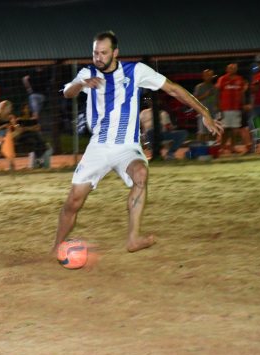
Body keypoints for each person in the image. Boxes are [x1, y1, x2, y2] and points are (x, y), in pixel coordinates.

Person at [51, 31, 223, 255]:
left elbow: (172, 88)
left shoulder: (136, 71)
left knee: (140, 173)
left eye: (103, 53)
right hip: (99, 147)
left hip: (127, 148)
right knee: (74, 201)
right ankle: (56, 248)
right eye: (95, 53)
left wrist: (204, 112)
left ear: (115, 53)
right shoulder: (88, 72)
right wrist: (82, 83)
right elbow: (67, 92)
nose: (98, 58)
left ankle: (133, 239)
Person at [216, 63, 251, 154]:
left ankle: (232, 147)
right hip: (225, 108)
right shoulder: (222, 79)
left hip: (236, 108)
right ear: (227, 69)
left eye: (234, 68)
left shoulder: (240, 79)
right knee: (225, 129)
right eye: (230, 68)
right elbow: (217, 93)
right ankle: (222, 148)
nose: (232, 69)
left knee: (235, 129)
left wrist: (243, 105)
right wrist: (218, 107)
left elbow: (242, 93)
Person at [15, 104, 50, 168]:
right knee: (36, 140)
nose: (27, 110)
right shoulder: (19, 119)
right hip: (23, 137)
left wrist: (26, 128)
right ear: (22, 110)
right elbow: (19, 130)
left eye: (28, 108)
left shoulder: (33, 119)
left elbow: (38, 128)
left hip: (33, 136)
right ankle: (39, 160)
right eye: (26, 108)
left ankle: (39, 161)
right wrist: (31, 128)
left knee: (37, 140)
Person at [193, 69, 219, 142]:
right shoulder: (199, 87)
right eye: (207, 75)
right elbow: (195, 99)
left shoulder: (215, 88)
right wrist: (205, 95)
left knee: (212, 132)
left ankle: (210, 148)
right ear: (203, 76)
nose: (209, 77)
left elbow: (217, 101)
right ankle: (199, 148)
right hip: (203, 113)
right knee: (202, 132)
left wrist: (218, 112)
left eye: (210, 75)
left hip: (213, 113)